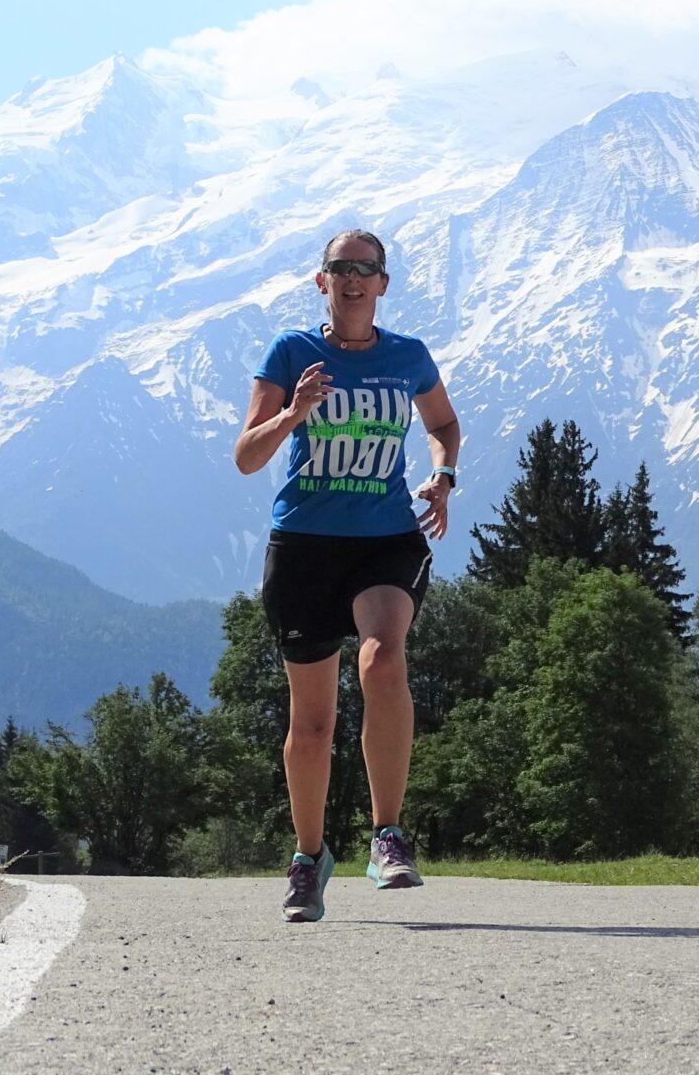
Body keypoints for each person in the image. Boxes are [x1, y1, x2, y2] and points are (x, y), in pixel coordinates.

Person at [233, 228, 461, 922]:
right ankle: (309, 857)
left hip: (386, 537)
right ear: (321, 281)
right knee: (312, 724)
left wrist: (443, 474)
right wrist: (294, 413)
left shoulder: (408, 357)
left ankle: (387, 832)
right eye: (341, 268)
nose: (354, 279)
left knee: (384, 657)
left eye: (367, 269)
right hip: (304, 544)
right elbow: (246, 454)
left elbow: (444, 423)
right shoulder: (291, 352)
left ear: (384, 284)